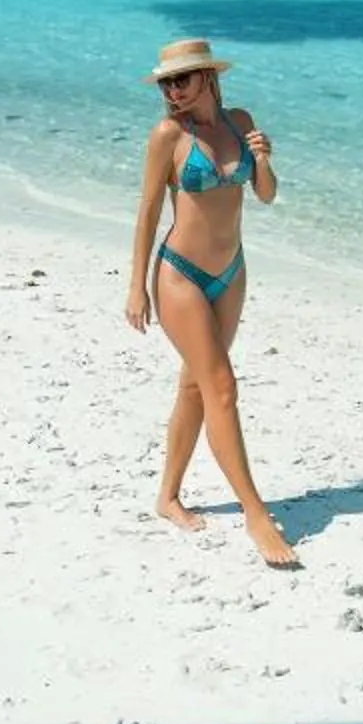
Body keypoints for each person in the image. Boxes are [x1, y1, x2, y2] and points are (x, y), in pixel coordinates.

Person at [124, 36, 298, 568]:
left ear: (208, 77)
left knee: (197, 386)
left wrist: (263, 159)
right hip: (181, 276)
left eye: (181, 79)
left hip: (232, 271)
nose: (173, 90)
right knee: (222, 386)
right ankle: (255, 513)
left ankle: (168, 496)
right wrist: (136, 287)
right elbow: (150, 212)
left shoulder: (240, 119)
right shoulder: (167, 136)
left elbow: (265, 195)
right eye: (166, 82)